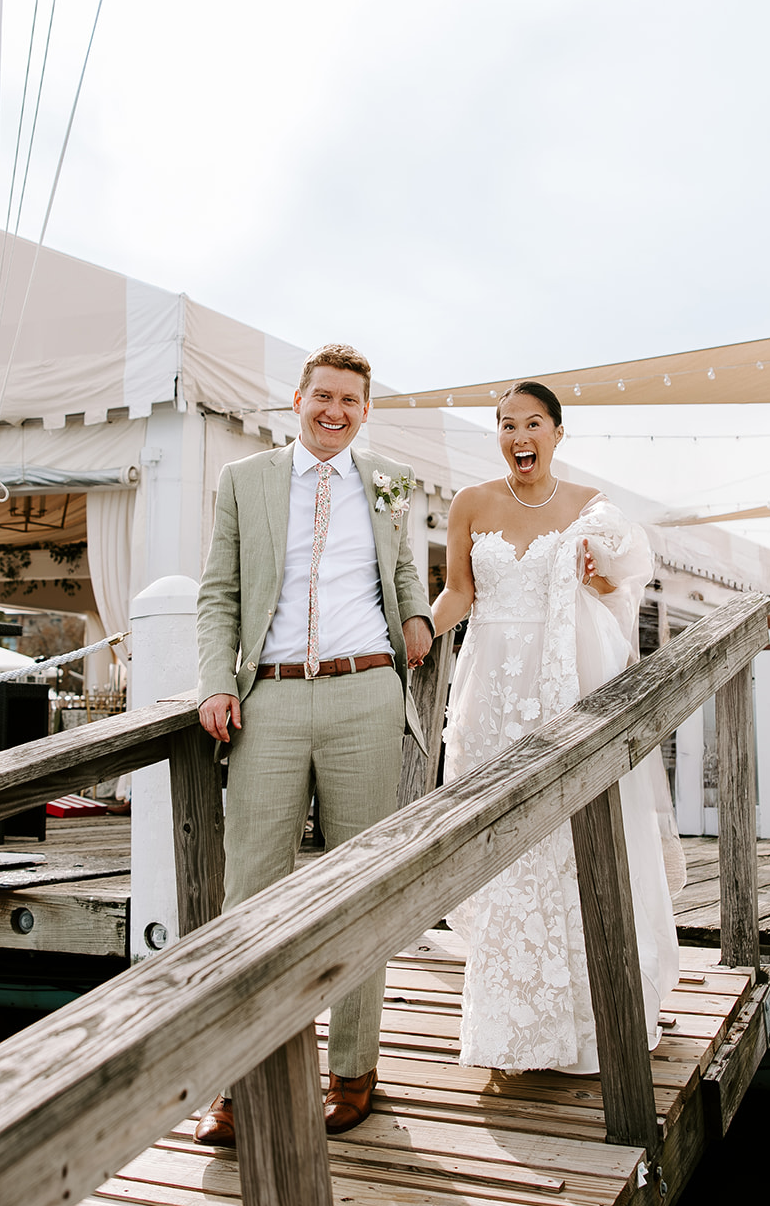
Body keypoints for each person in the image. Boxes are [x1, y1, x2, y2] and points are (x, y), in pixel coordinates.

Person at [194, 343, 433, 1142]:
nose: (335, 412)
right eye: (322, 397)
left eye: (350, 402)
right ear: (296, 399)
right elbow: (218, 594)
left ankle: (354, 1069)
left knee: (360, 885)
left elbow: (400, 574)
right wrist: (215, 683)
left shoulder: (389, 486)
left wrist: (418, 617)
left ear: (365, 412)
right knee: (249, 894)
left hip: (366, 691)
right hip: (271, 698)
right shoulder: (244, 481)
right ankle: (236, 1080)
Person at [430, 380, 683, 1073]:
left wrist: (599, 574)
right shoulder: (470, 503)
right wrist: (423, 626)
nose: (519, 436)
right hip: (489, 690)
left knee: (574, 836)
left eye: (532, 423)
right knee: (503, 837)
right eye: (506, 425)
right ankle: (512, 1025)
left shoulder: (589, 510)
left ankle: (588, 1012)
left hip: (565, 686)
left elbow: (619, 584)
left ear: (557, 433)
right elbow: (460, 591)